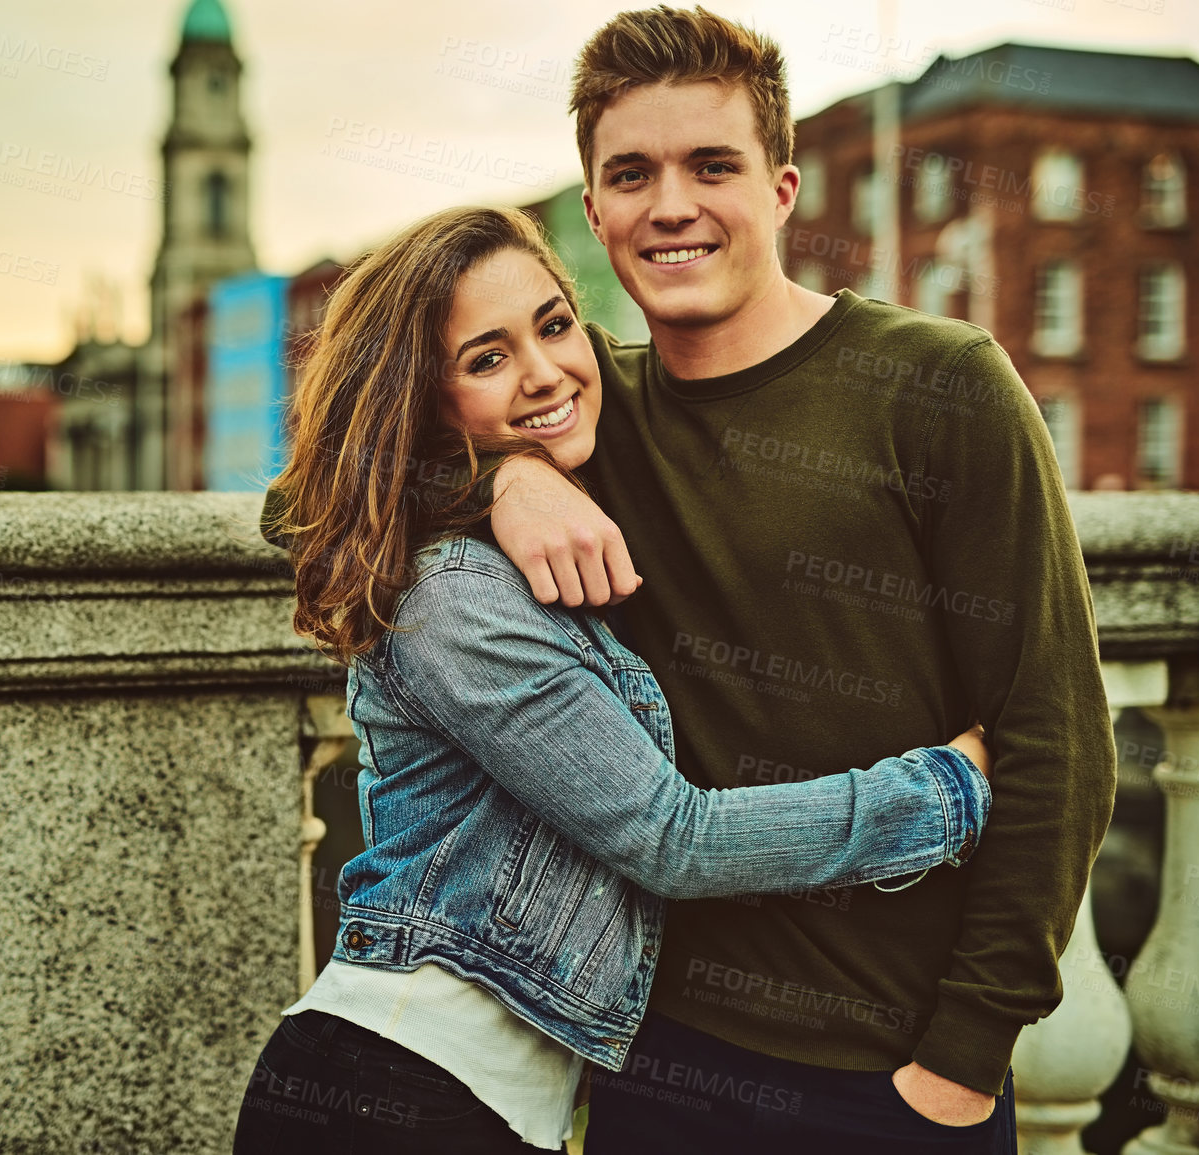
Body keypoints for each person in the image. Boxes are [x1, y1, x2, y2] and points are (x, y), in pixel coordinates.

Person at [470, 7, 1116, 1152]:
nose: (670, 204)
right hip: (653, 1061)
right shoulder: (580, 423)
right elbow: (317, 498)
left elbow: (1057, 738)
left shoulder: (940, 384)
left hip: (894, 1077)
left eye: (711, 165)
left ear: (781, 189)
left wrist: (961, 1060)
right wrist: (510, 480)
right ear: (595, 213)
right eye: (632, 174)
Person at [235, 204, 993, 1154]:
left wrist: (505, 476)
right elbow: (668, 838)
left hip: (482, 1101)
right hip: (396, 1089)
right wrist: (944, 792)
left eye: (553, 326)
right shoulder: (454, 596)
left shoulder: (563, 499)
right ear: (422, 402)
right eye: (485, 358)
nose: (544, 371)